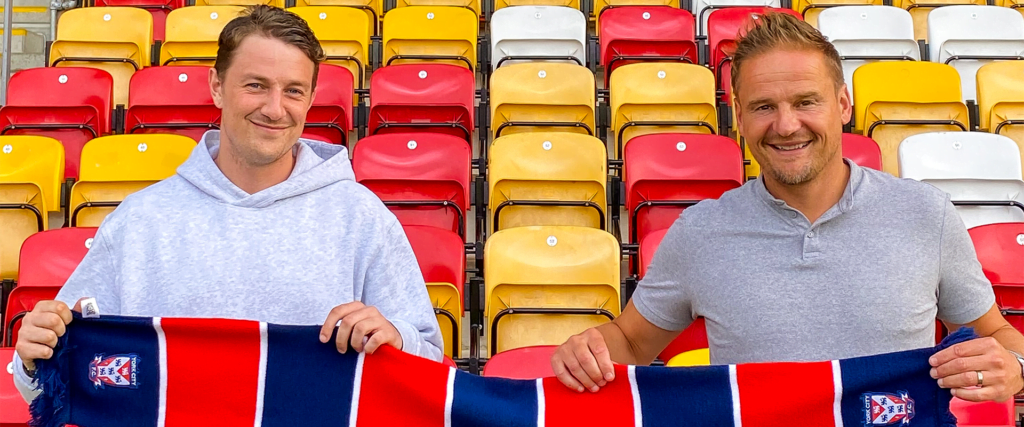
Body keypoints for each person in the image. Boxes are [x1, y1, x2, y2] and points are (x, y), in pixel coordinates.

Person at [551, 12, 1024, 403]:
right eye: (763, 107)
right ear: (739, 117)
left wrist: (1013, 365)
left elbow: (996, 335)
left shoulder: (925, 215)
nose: (786, 125)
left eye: (805, 102)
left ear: (843, 104)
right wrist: (587, 350)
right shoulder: (701, 231)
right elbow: (630, 342)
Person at [14, 5, 443, 402]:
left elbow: (431, 363)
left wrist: (396, 339)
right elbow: (58, 376)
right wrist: (34, 358)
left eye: (293, 91)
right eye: (256, 86)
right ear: (217, 87)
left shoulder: (361, 217)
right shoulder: (141, 220)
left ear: (311, 100)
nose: (274, 108)